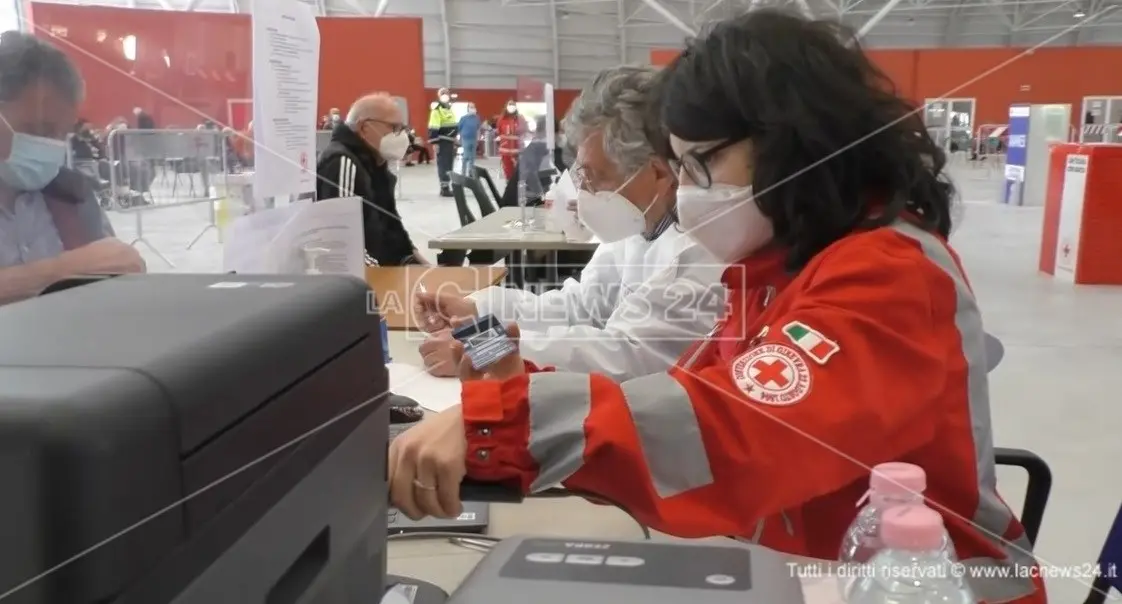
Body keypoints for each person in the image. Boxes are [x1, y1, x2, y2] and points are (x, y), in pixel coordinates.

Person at [386, 11, 1045, 604]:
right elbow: (681, 387)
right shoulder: (767, 265)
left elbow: (740, 433)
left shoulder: (890, 274)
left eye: (703, 164)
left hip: (927, 585)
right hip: (804, 564)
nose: (691, 193)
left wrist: (514, 422)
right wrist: (506, 379)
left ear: (795, 138)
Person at [415, 65, 724, 382]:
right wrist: (478, 308)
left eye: (595, 178)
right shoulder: (636, 224)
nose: (584, 194)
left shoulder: (699, 252)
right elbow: (581, 305)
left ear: (657, 172)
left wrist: (482, 349)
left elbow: (628, 356)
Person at [0, 31, 144, 304]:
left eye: (60, 134)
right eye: (36, 129)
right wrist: (62, 272)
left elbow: (111, 274)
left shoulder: (73, 198)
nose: (48, 144)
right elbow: (87, 266)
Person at [315, 92, 427, 266]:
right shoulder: (342, 162)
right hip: (369, 277)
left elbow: (392, 227)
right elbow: (344, 244)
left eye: (402, 129)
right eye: (394, 128)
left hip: (389, 269)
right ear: (364, 128)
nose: (401, 136)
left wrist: (422, 265)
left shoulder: (377, 163)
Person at [427, 87, 458, 197]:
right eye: (443, 93)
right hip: (442, 142)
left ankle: (447, 186)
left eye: (446, 93)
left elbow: (453, 125)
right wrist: (435, 143)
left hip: (450, 141)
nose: (445, 94)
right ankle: (444, 188)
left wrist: (455, 139)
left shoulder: (448, 109)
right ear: (439, 96)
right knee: (443, 164)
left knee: (449, 164)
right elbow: (433, 127)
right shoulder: (437, 110)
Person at [495, 100, 524, 180]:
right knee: (508, 172)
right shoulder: (501, 120)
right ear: (506, 107)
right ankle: (509, 186)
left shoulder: (520, 119)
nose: (511, 106)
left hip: (517, 151)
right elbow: (499, 132)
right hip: (505, 151)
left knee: (518, 172)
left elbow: (523, 132)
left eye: (513, 105)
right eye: (510, 104)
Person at [457, 102, 481, 176]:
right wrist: (458, 139)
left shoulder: (476, 118)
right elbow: (458, 129)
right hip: (465, 139)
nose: (473, 108)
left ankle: (470, 171)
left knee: (472, 156)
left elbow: (478, 128)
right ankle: (463, 172)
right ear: (468, 108)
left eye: (473, 107)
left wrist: (478, 138)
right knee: (466, 155)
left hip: (474, 139)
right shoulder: (463, 118)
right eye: (471, 107)